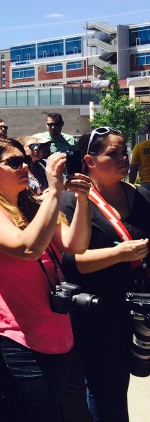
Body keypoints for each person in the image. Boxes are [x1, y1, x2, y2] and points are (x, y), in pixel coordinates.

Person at [0, 138, 92, 422]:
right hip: (17, 338)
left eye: (25, 160)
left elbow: (76, 243)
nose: (24, 165)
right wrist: (55, 192)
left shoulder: (32, 205)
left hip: (55, 331)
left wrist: (83, 200)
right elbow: (27, 248)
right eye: (13, 162)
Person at [60, 127, 150, 422]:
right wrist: (121, 254)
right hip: (99, 315)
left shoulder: (143, 196)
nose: (123, 158)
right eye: (113, 153)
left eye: (124, 151)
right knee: (107, 391)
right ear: (89, 161)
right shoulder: (70, 202)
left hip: (140, 309)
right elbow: (73, 262)